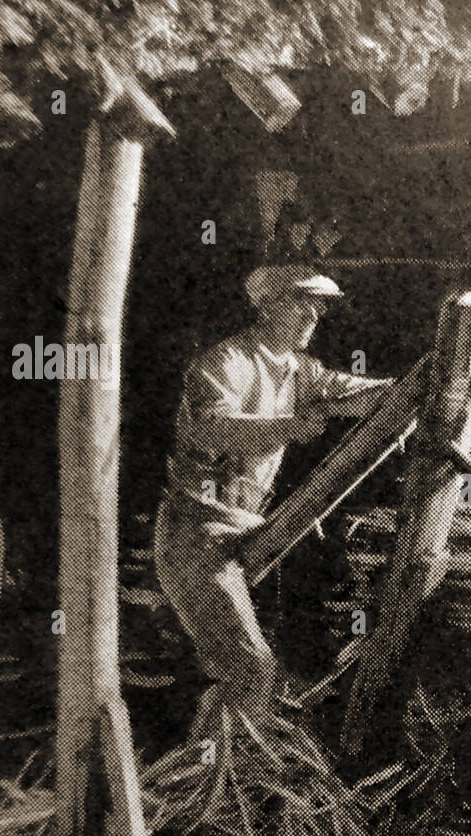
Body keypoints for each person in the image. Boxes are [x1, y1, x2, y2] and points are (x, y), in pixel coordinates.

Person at [154, 265, 393, 745]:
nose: (314, 315)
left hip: (244, 534)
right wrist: (291, 424)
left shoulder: (301, 370)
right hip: (199, 533)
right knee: (250, 667)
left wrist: (429, 382)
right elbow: (211, 429)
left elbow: (363, 396)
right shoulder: (226, 362)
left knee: (269, 674)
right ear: (268, 306)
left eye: (320, 306)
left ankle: (216, 779)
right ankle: (209, 787)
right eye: (301, 302)